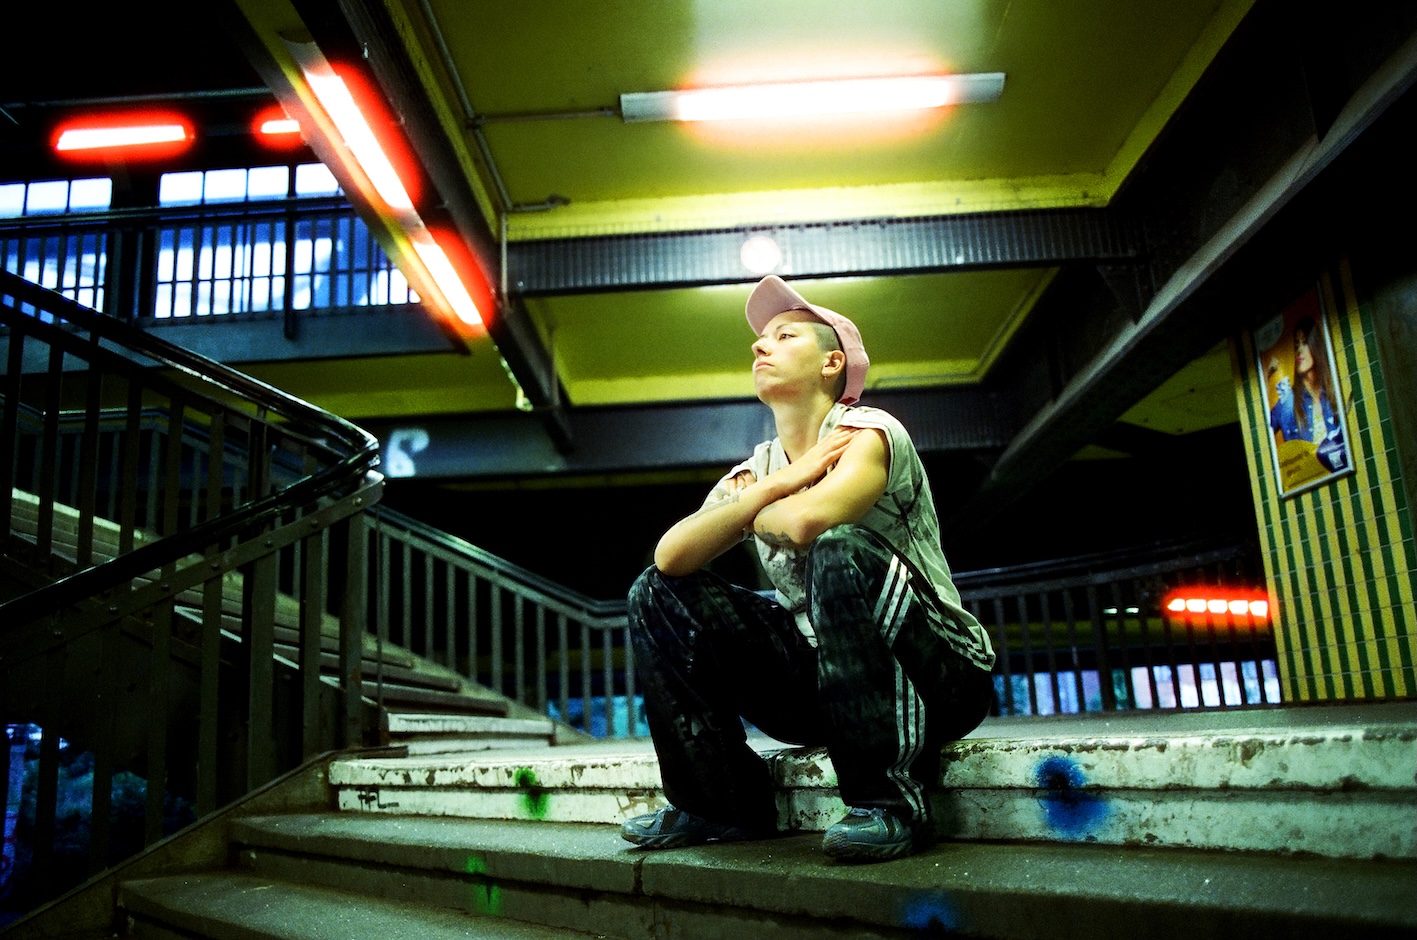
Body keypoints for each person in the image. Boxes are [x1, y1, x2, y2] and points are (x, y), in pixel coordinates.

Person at [620, 275, 996, 862]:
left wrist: (750, 511)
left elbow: (807, 524)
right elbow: (670, 557)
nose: (759, 346)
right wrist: (780, 484)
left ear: (831, 363)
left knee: (839, 547)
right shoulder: (760, 469)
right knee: (655, 592)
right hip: (825, 688)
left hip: (939, 673)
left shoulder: (868, 431)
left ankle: (891, 804)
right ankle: (720, 804)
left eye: (784, 335)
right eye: (760, 339)